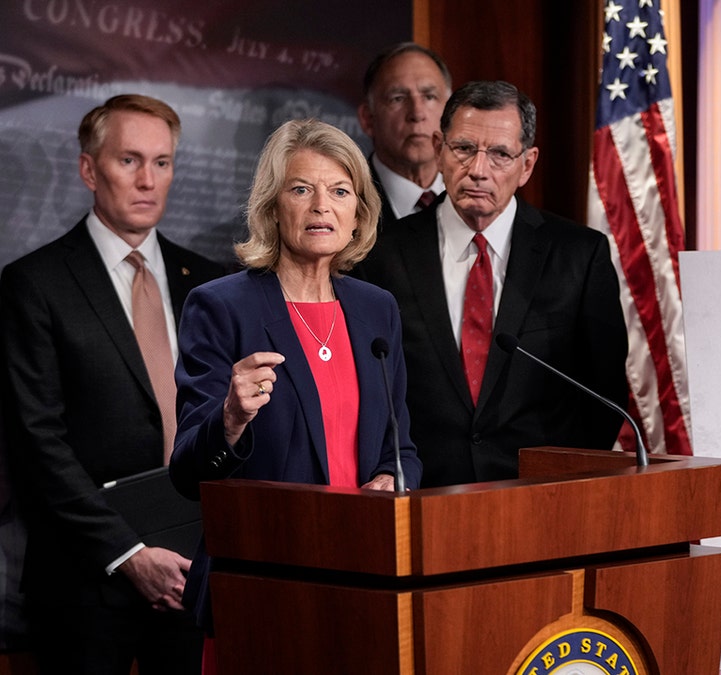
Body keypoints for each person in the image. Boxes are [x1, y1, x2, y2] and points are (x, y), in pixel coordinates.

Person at [168, 119, 422, 661]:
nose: (321, 206)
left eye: (340, 191)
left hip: (364, 578)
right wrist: (231, 418)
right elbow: (188, 471)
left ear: (359, 213)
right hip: (262, 587)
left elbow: (400, 447)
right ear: (272, 206)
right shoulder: (221, 307)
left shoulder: (377, 310)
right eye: (301, 189)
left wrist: (388, 479)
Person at [0, 94, 225, 675]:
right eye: (129, 160)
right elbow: (35, 443)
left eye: (163, 162)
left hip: (193, 571)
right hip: (84, 583)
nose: (148, 179)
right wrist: (129, 554)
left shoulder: (207, 281)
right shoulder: (34, 284)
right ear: (87, 169)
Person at [355, 81, 629, 487]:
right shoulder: (380, 256)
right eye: (464, 149)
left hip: (540, 502)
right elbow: (369, 390)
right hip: (422, 496)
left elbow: (602, 395)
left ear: (528, 164)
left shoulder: (579, 255)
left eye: (500, 154)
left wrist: (562, 485)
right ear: (438, 148)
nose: (479, 170)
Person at [357, 42, 453, 220]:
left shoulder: (481, 200)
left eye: (430, 97)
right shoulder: (347, 205)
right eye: (398, 99)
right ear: (368, 118)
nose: (417, 113)